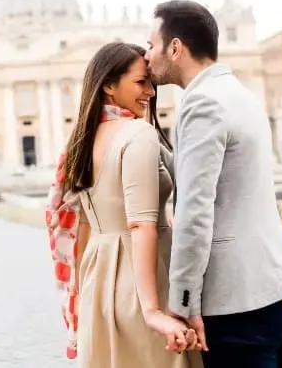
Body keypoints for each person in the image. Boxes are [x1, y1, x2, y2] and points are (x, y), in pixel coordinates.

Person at [145, 0, 282, 368]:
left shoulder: (202, 103)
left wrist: (183, 302)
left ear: (175, 48)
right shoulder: (238, 93)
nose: (147, 54)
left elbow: (194, 210)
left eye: (152, 44)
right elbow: (224, 178)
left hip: (241, 300)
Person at [45, 41, 202, 367]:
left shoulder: (79, 142)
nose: (150, 92)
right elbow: (140, 224)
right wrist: (153, 311)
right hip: (144, 277)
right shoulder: (138, 134)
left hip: (97, 279)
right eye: (141, 82)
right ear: (109, 85)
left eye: (152, 83)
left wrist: (82, 292)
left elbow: (83, 224)